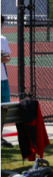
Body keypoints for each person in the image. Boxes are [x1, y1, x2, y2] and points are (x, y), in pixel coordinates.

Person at [1, 15, 14, 147]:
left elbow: (7, 56)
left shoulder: (3, 39)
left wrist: (6, 59)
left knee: (4, 108)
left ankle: (0, 136)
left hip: (3, 79)